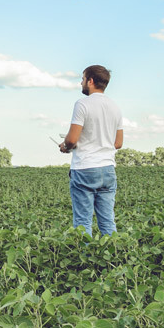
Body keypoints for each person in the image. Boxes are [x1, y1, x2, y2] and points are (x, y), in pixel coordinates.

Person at [58, 65, 124, 236]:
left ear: (91, 80)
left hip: (85, 168)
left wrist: (65, 146)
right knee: (108, 221)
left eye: (83, 79)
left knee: (82, 222)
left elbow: (72, 139)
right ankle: (113, 258)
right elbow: (118, 143)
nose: (81, 83)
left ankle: (86, 261)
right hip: (108, 168)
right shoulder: (115, 106)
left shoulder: (82, 104)